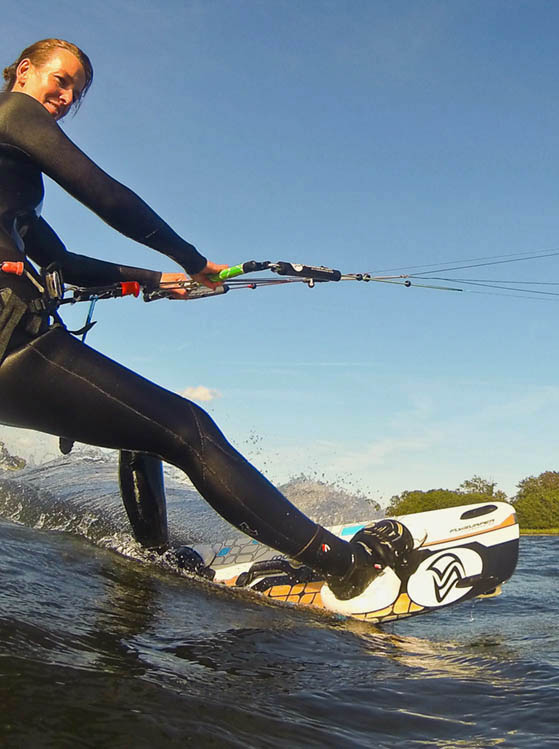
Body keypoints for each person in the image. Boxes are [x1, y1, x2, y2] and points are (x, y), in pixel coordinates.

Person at [0, 38, 411, 598]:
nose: (67, 96)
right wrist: (194, 261)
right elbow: (108, 196)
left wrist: (158, 280)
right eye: (61, 79)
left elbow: (63, 263)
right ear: (25, 71)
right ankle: (347, 567)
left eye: (77, 91)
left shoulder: (13, 179)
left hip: (13, 343)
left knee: (139, 431)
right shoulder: (13, 113)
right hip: (11, 340)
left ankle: (155, 559)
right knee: (189, 430)